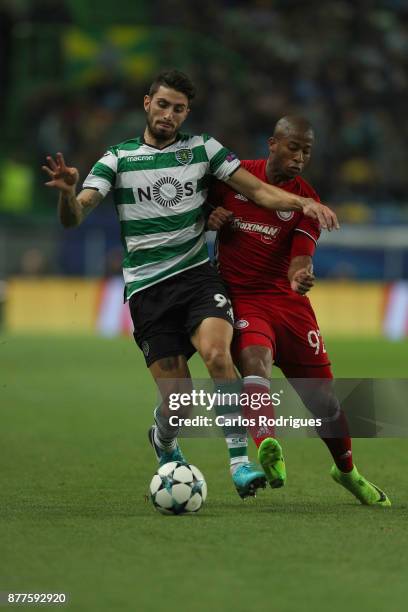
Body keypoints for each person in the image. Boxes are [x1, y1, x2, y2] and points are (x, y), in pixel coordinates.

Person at [42, 71, 338, 500]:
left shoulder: (203, 149)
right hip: (147, 290)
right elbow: (75, 217)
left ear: (186, 113)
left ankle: (240, 462)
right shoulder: (117, 158)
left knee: (220, 356)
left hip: (198, 277)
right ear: (147, 104)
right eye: (162, 104)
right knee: (180, 403)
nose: (169, 114)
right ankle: (162, 440)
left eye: (178, 108)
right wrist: (68, 193)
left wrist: (304, 201)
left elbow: (258, 192)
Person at [207, 115, 391, 507]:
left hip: (289, 305)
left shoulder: (308, 201)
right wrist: (211, 217)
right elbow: (197, 213)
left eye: (307, 151)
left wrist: (301, 276)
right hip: (244, 299)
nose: (300, 157)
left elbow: (300, 260)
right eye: (294, 147)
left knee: (324, 401)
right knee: (255, 360)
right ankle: (267, 443)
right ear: (273, 143)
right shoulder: (234, 179)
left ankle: (347, 472)